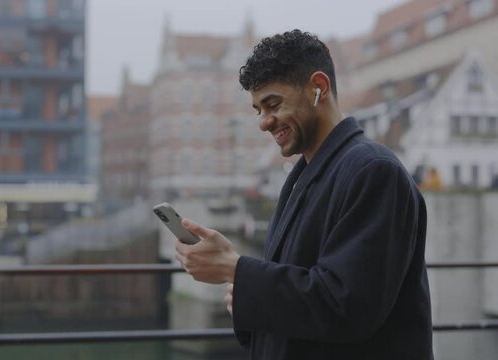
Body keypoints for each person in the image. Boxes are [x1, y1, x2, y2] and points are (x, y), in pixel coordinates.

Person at [174, 30, 433, 359]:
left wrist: (237, 270)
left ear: (319, 88)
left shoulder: (375, 172)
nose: (264, 123)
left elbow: (347, 308)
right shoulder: (301, 176)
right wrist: (245, 295)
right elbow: (308, 289)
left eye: (273, 104)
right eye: (258, 110)